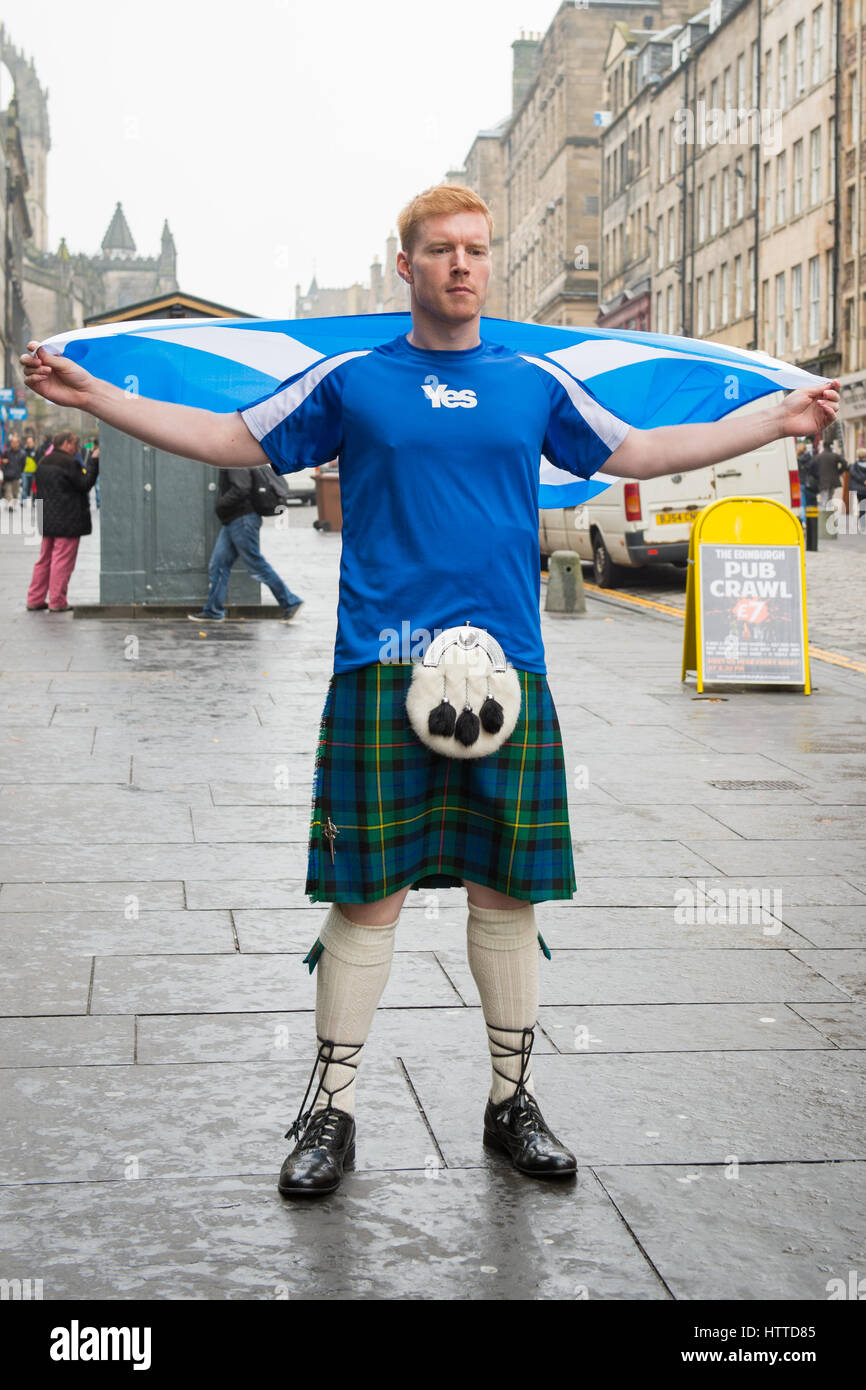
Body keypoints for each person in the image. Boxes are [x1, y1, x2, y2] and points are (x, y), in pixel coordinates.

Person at [20, 184, 841, 1198]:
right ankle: (332, 1110)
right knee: (365, 902)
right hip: (381, 667)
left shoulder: (531, 383)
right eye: (442, 249)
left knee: (509, 896)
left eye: (476, 249)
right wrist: (95, 400)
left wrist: (777, 418)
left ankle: (510, 1102)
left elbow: (638, 451)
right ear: (404, 264)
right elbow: (232, 435)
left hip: (508, 671)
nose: (462, 263)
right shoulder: (353, 381)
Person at [188, 466, 303, 622]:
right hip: (234, 520)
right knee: (219, 565)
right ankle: (213, 610)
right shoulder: (232, 457)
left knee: (255, 563)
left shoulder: (234, 460)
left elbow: (241, 488)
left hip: (242, 520)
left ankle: (291, 602)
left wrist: (220, 505)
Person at [25, 430, 98, 612]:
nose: (78, 447)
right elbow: (84, 484)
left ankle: (35, 598)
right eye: (75, 443)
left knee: (44, 560)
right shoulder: (69, 463)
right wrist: (93, 462)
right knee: (62, 561)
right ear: (66, 443)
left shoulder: (43, 462)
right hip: (67, 519)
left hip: (47, 519)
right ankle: (57, 601)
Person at [813, 435, 847, 508]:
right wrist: (839, 472)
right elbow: (844, 463)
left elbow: (813, 467)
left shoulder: (819, 456)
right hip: (833, 480)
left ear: (824, 446)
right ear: (830, 447)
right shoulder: (834, 455)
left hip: (822, 480)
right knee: (830, 497)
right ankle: (828, 512)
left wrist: (816, 476)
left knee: (824, 498)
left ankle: (825, 514)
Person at [2, 432, 25, 505]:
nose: (14, 444)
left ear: (18, 443)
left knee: (15, 492)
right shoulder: (7, 452)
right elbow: (3, 462)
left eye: (15, 442)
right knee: (8, 491)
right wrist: (4, 468)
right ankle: (10, 505)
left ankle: (13, 504)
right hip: (8, 475)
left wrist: (19, 472)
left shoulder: (22, 453)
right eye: (12, 442)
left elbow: (23, 465)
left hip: (16, 476)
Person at [20, 433, 38, 503]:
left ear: (33, 442)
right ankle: (23, 500)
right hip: (25, 472)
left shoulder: (36, 451)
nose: (29, 443)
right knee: (25, 487)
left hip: (33, 472)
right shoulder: (23, 451)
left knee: (33, 488)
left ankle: (33, 501)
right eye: (28, 442)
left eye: (30, 442)